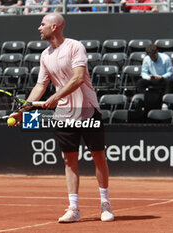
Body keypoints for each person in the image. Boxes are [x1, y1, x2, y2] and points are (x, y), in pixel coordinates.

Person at [11, 13, 114, 223]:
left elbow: (78, 78)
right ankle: (74, 208)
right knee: (69, 161)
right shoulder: (45, 55)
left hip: (87, 110)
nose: (39, 28)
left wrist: (56, 97)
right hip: (64, 115)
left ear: (55, 26)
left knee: (98, 157)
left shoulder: (75, 47)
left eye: (42, 24)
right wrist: (24, 109)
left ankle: (105, 203)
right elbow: (40, 86)